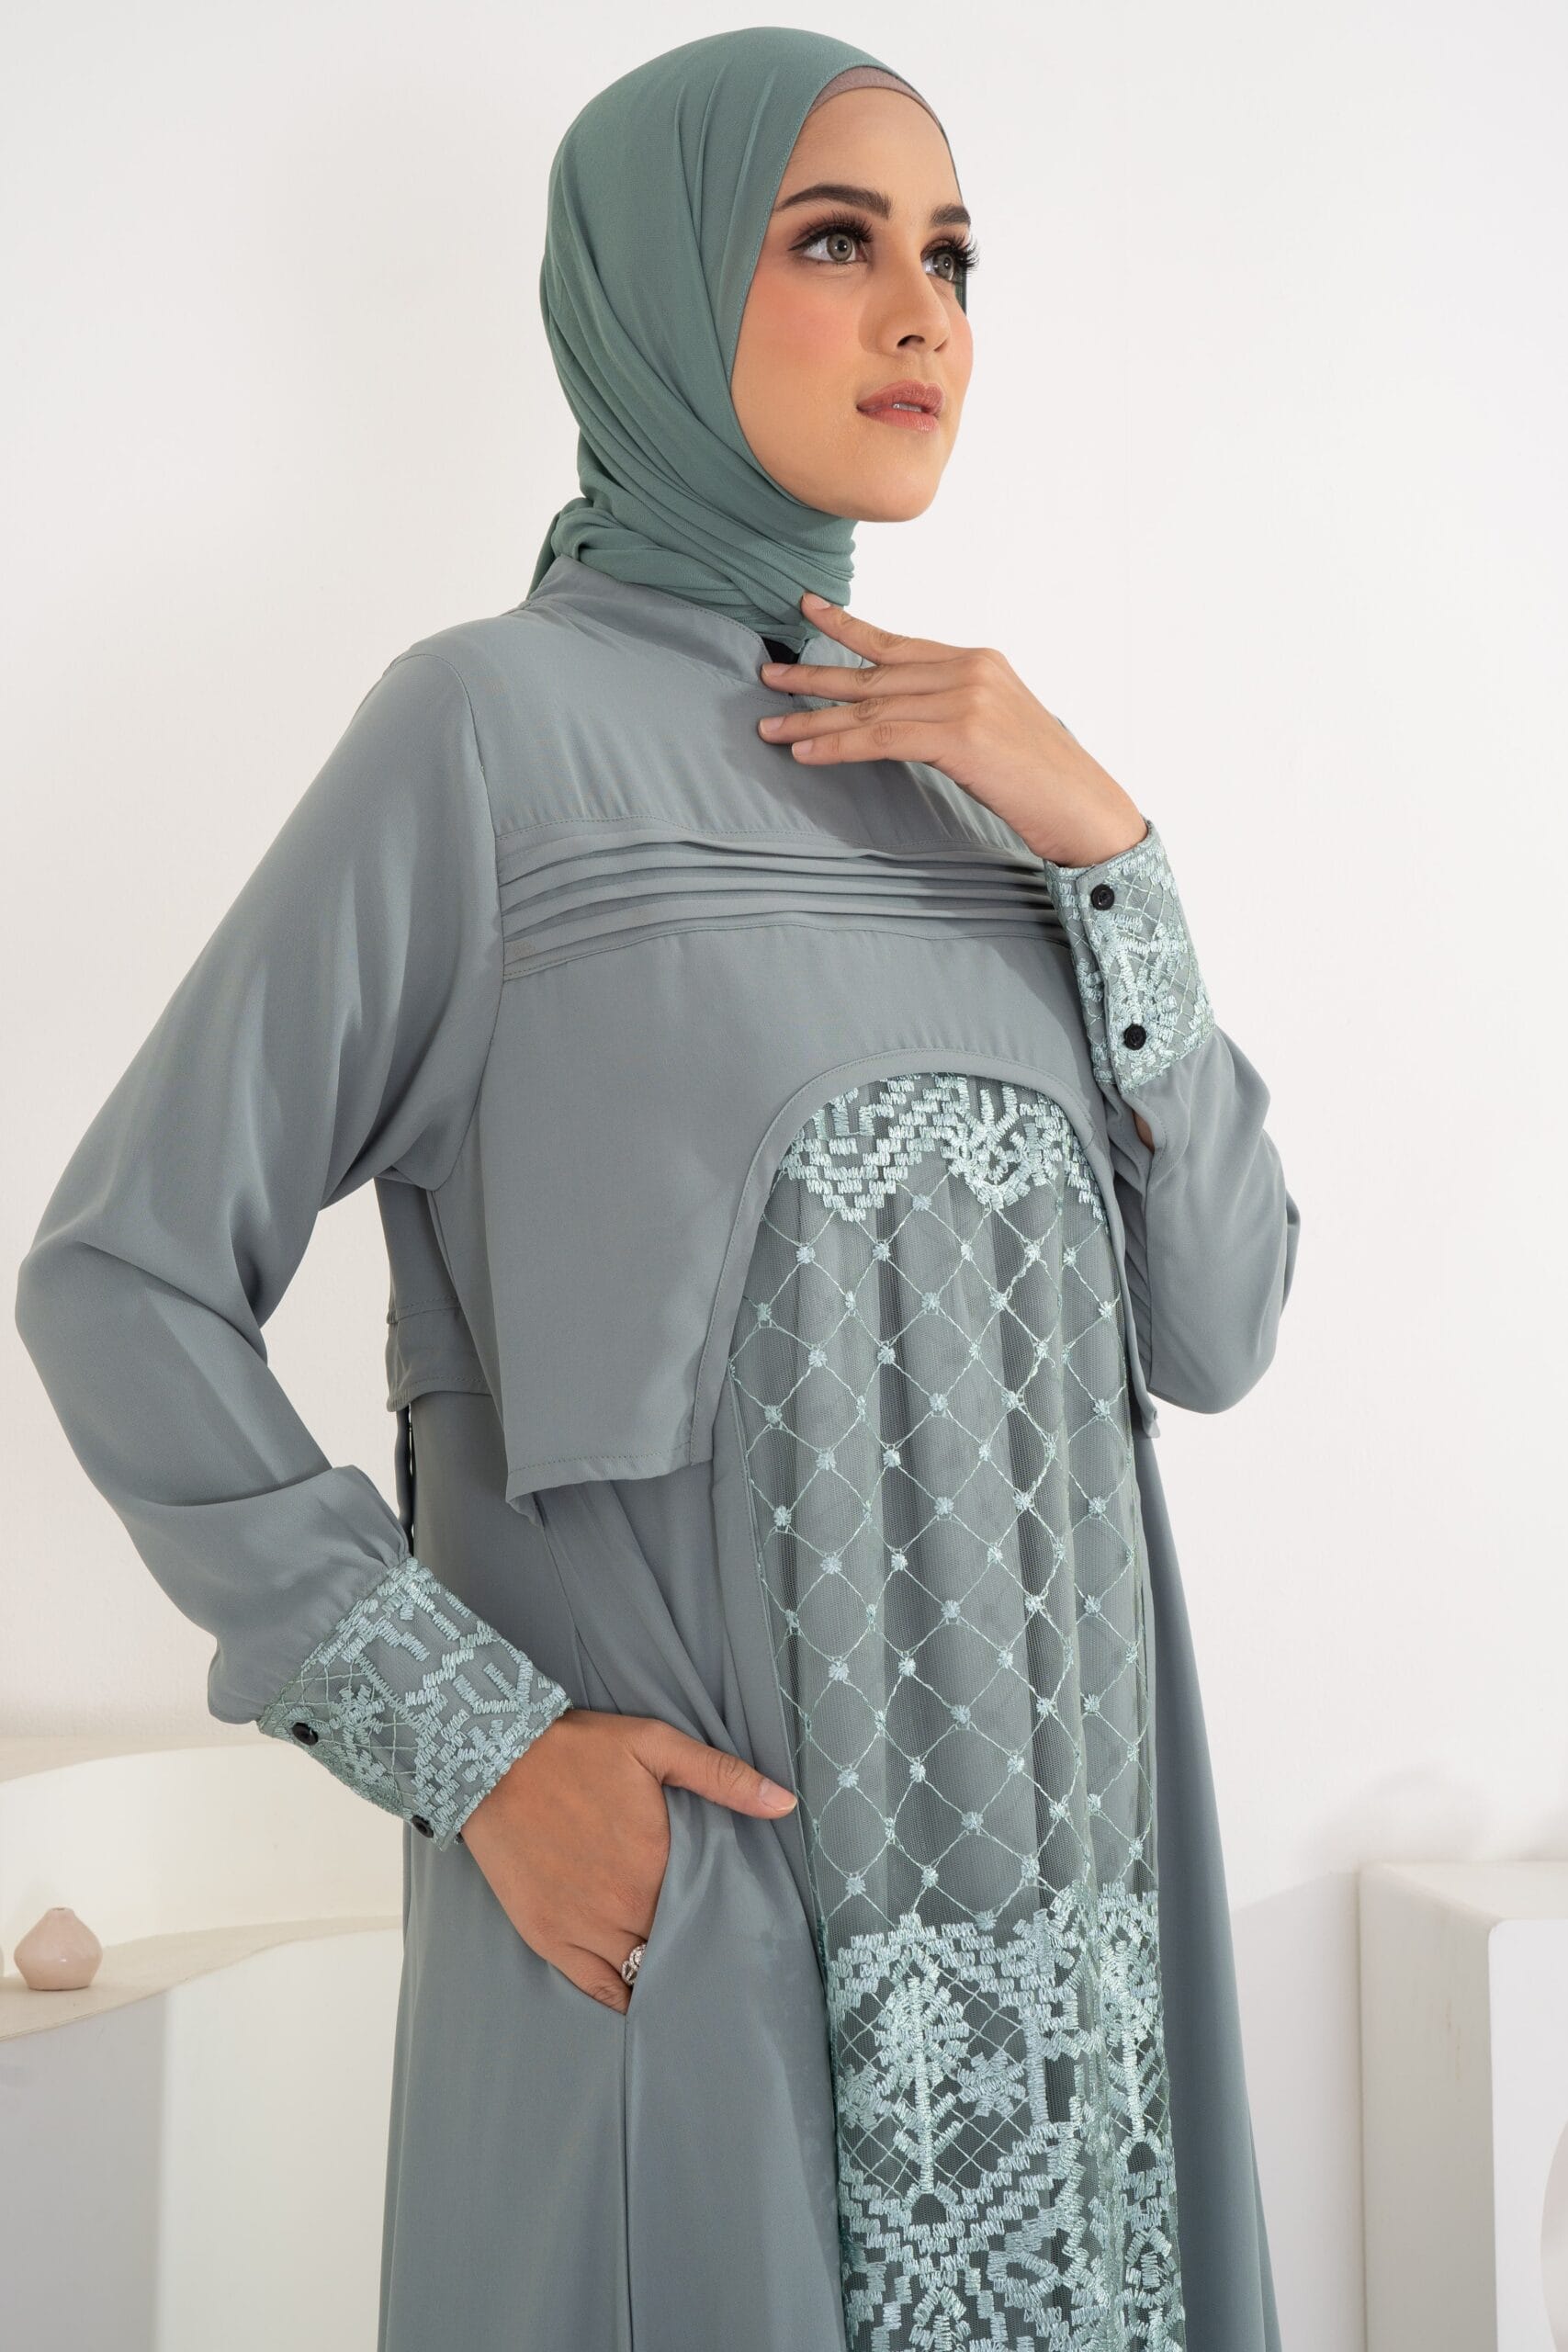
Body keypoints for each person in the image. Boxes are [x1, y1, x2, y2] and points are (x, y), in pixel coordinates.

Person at [14, 27, 1299, 2351]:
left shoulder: (990, 793)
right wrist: (477, 1746)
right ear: (654, 284)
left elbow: (1214, 1325)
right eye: (834, 241)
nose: (919, 313)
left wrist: (1113, 852)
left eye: (951, 257)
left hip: (1072, 1985)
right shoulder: (486, 737)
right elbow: (123, 1274)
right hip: (707, 1965)